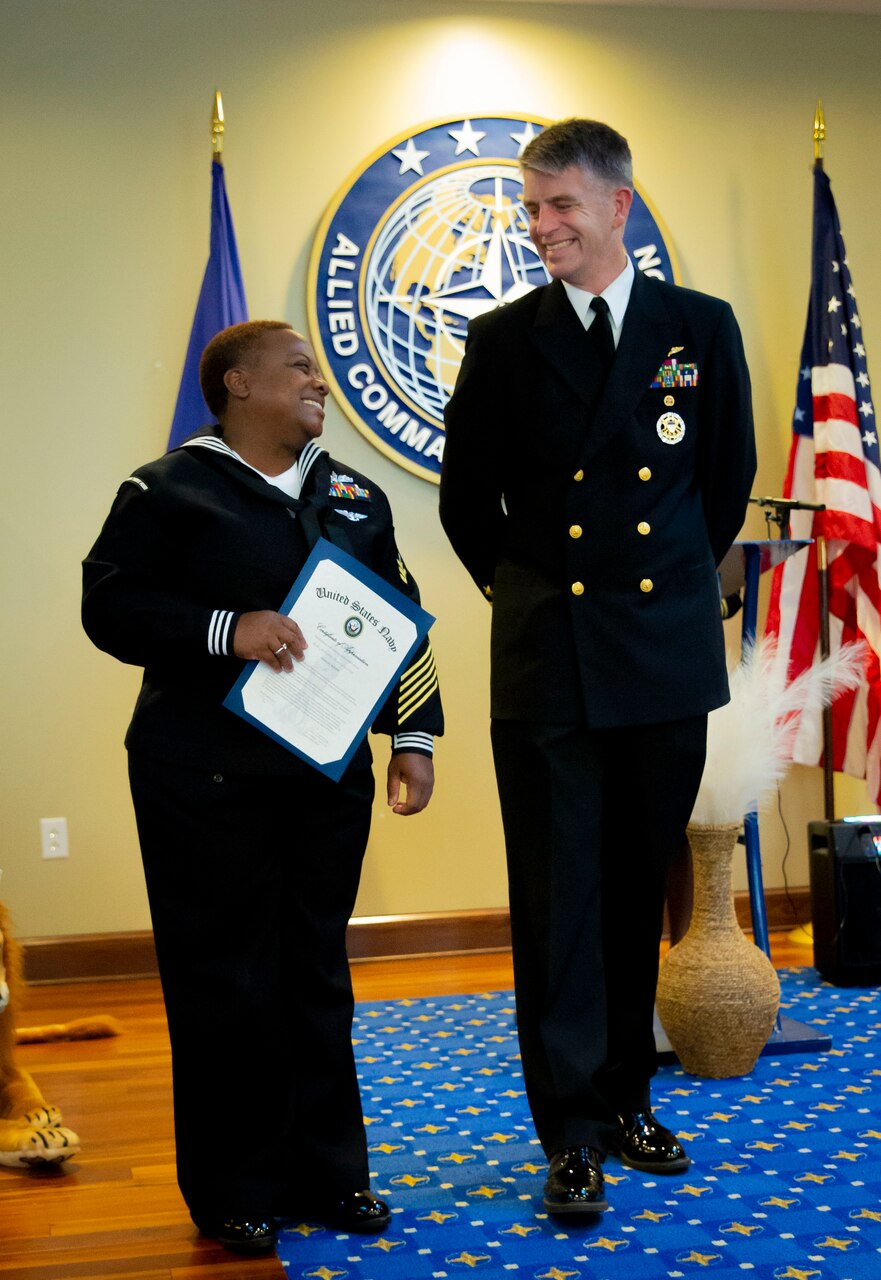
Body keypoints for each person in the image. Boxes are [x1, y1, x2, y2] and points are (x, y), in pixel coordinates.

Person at [439, 118, 755, 1216]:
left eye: (560, 205)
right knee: (559, 896)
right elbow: (466, 503)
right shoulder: (504, 338)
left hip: (660, 655)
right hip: (551, 658)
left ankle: (627, 1098)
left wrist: (665, 589)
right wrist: (534, 597)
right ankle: (567, 1129)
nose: (541, 228)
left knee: (631, 890)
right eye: (530, 208)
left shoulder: (696, 328)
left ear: (617, 206)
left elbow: (722, 481)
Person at [82, 321, 443, 1253]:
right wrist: (224, 630)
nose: (317, 382)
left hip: (324, 777)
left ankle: (331, 1176)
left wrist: (413, 737)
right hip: (199, 776)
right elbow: (110, 605)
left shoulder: (354, 493)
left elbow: (394, 614)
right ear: (239, 384)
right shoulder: (167, 489)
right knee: (223, 981)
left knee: (316, 974)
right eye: (299, 370)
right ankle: (232, 1188)